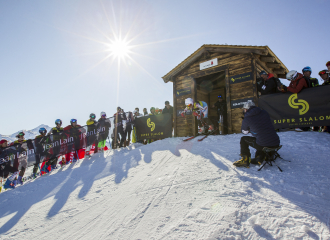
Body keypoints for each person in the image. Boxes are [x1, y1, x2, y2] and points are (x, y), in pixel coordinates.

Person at [233, 101, 280, 168]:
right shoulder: (264, 112)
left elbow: (245, 132)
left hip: (263, 144)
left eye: (244, 109)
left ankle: (245, 160)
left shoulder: (247, 119)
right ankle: (262, 157)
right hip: (276, 142)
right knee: (261, 138)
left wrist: (249, 128)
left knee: (243, 139)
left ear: (246, 109)